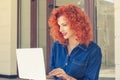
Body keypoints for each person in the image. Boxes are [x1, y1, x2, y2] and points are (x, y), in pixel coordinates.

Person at [47, 4, 102, 80]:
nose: (60, 30)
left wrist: (67, 78)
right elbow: (53, 76)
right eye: (59, 26)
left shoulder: (93, 51)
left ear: (76, 24)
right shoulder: (57, 46)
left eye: (64, 25)